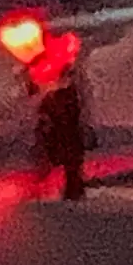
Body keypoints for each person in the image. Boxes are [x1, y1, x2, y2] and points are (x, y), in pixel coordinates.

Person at [36, 65, 87, 201]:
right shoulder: (64, 96)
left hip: (67, 139)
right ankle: (73, 191)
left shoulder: (61, 97)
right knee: (72, 166)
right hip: (67, 138)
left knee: (72, 167)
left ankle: (73, 191)